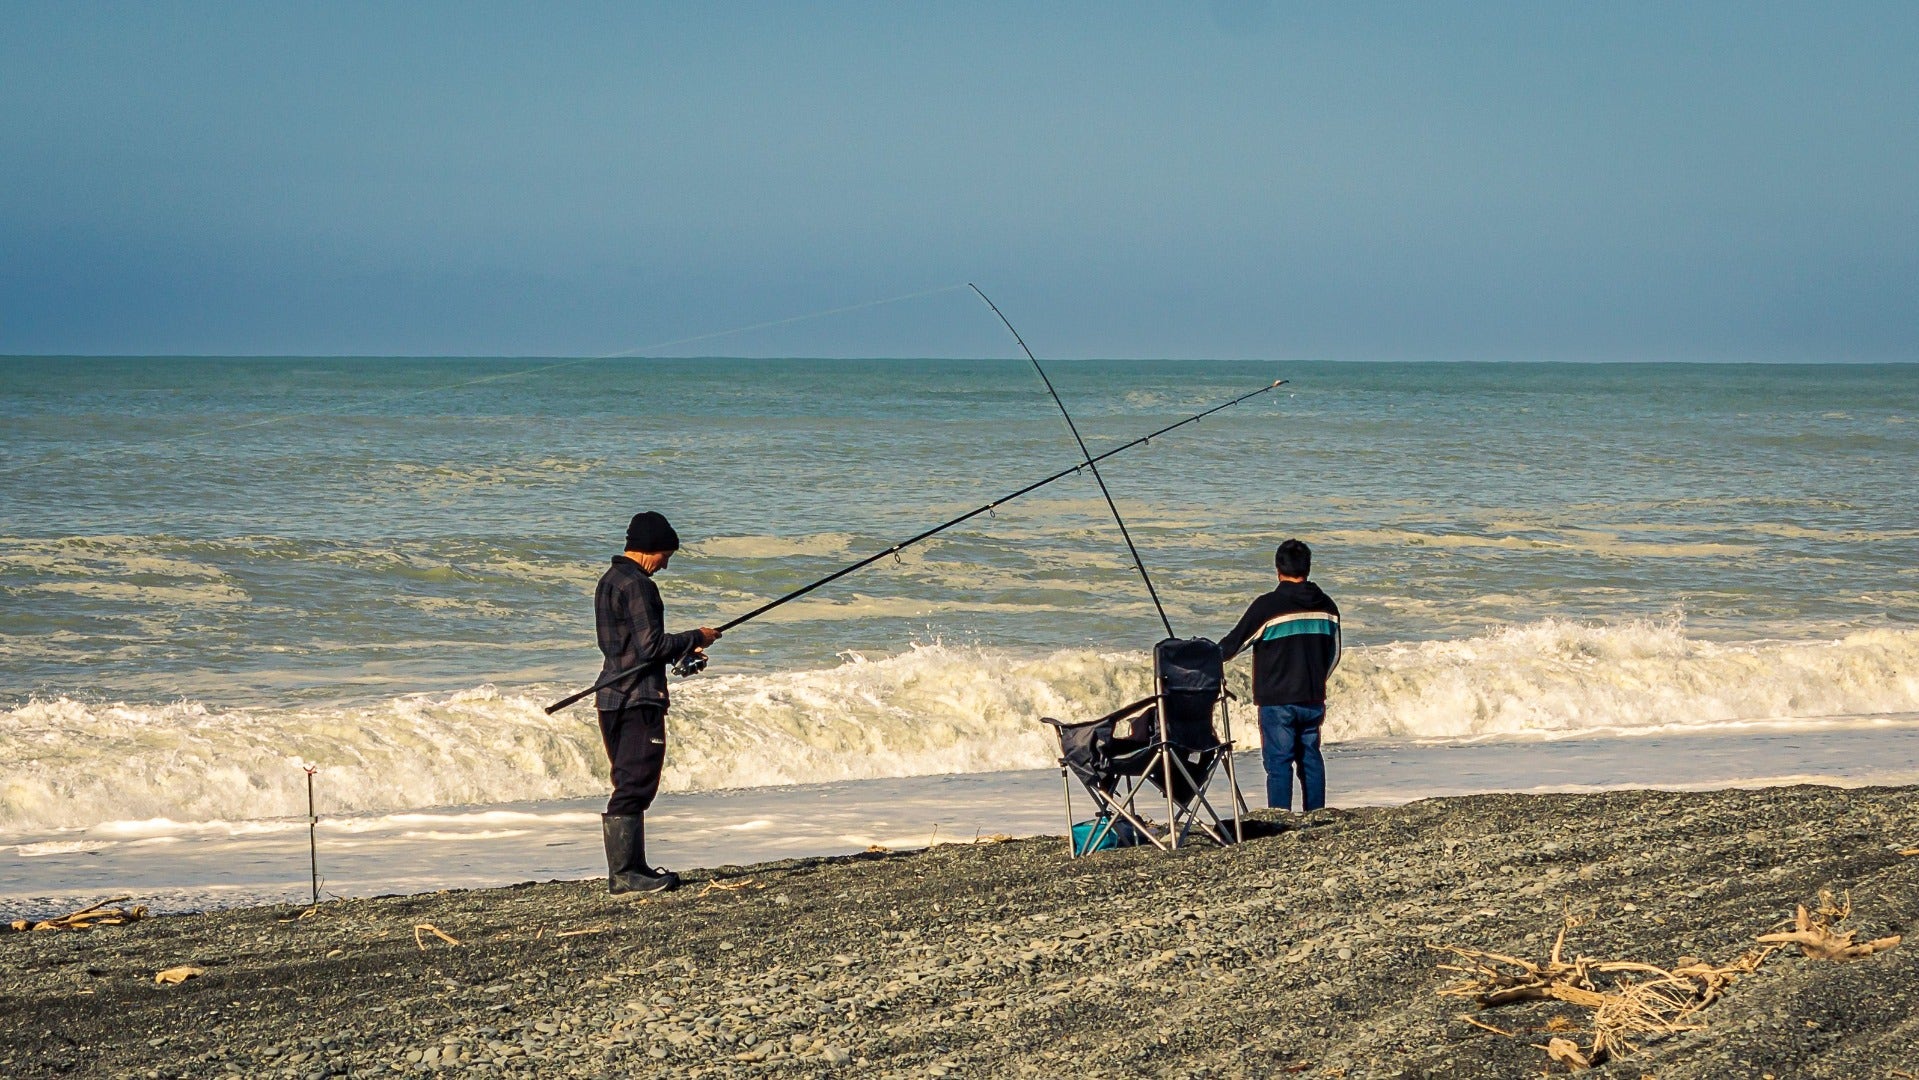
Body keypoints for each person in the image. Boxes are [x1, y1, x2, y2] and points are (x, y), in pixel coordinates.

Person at [594, 511, 720, 894]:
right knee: (635, 783)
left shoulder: (609, 581)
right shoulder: (638, 585)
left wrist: (681, 651)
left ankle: (634, 867)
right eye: (666, 554)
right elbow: (651, 647)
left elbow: (630, 648)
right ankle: (625, 874)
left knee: (627, 779)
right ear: (651, 549)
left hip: (611, 697)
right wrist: (696, 636)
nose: (666, 563)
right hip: (638, 699)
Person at [1218, 539, 1341, 813]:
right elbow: (1334, 655)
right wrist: (1317, 680)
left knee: (1279, 762)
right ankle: (1316, 814)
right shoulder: (1328, 607)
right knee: (1310, 757)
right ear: (1308, 569)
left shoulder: (1268, 606)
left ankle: (1280, 819)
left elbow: (1231, 646)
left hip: (1277, 701)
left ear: (1278, 570)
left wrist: (1200, 656)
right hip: (1312, 697)